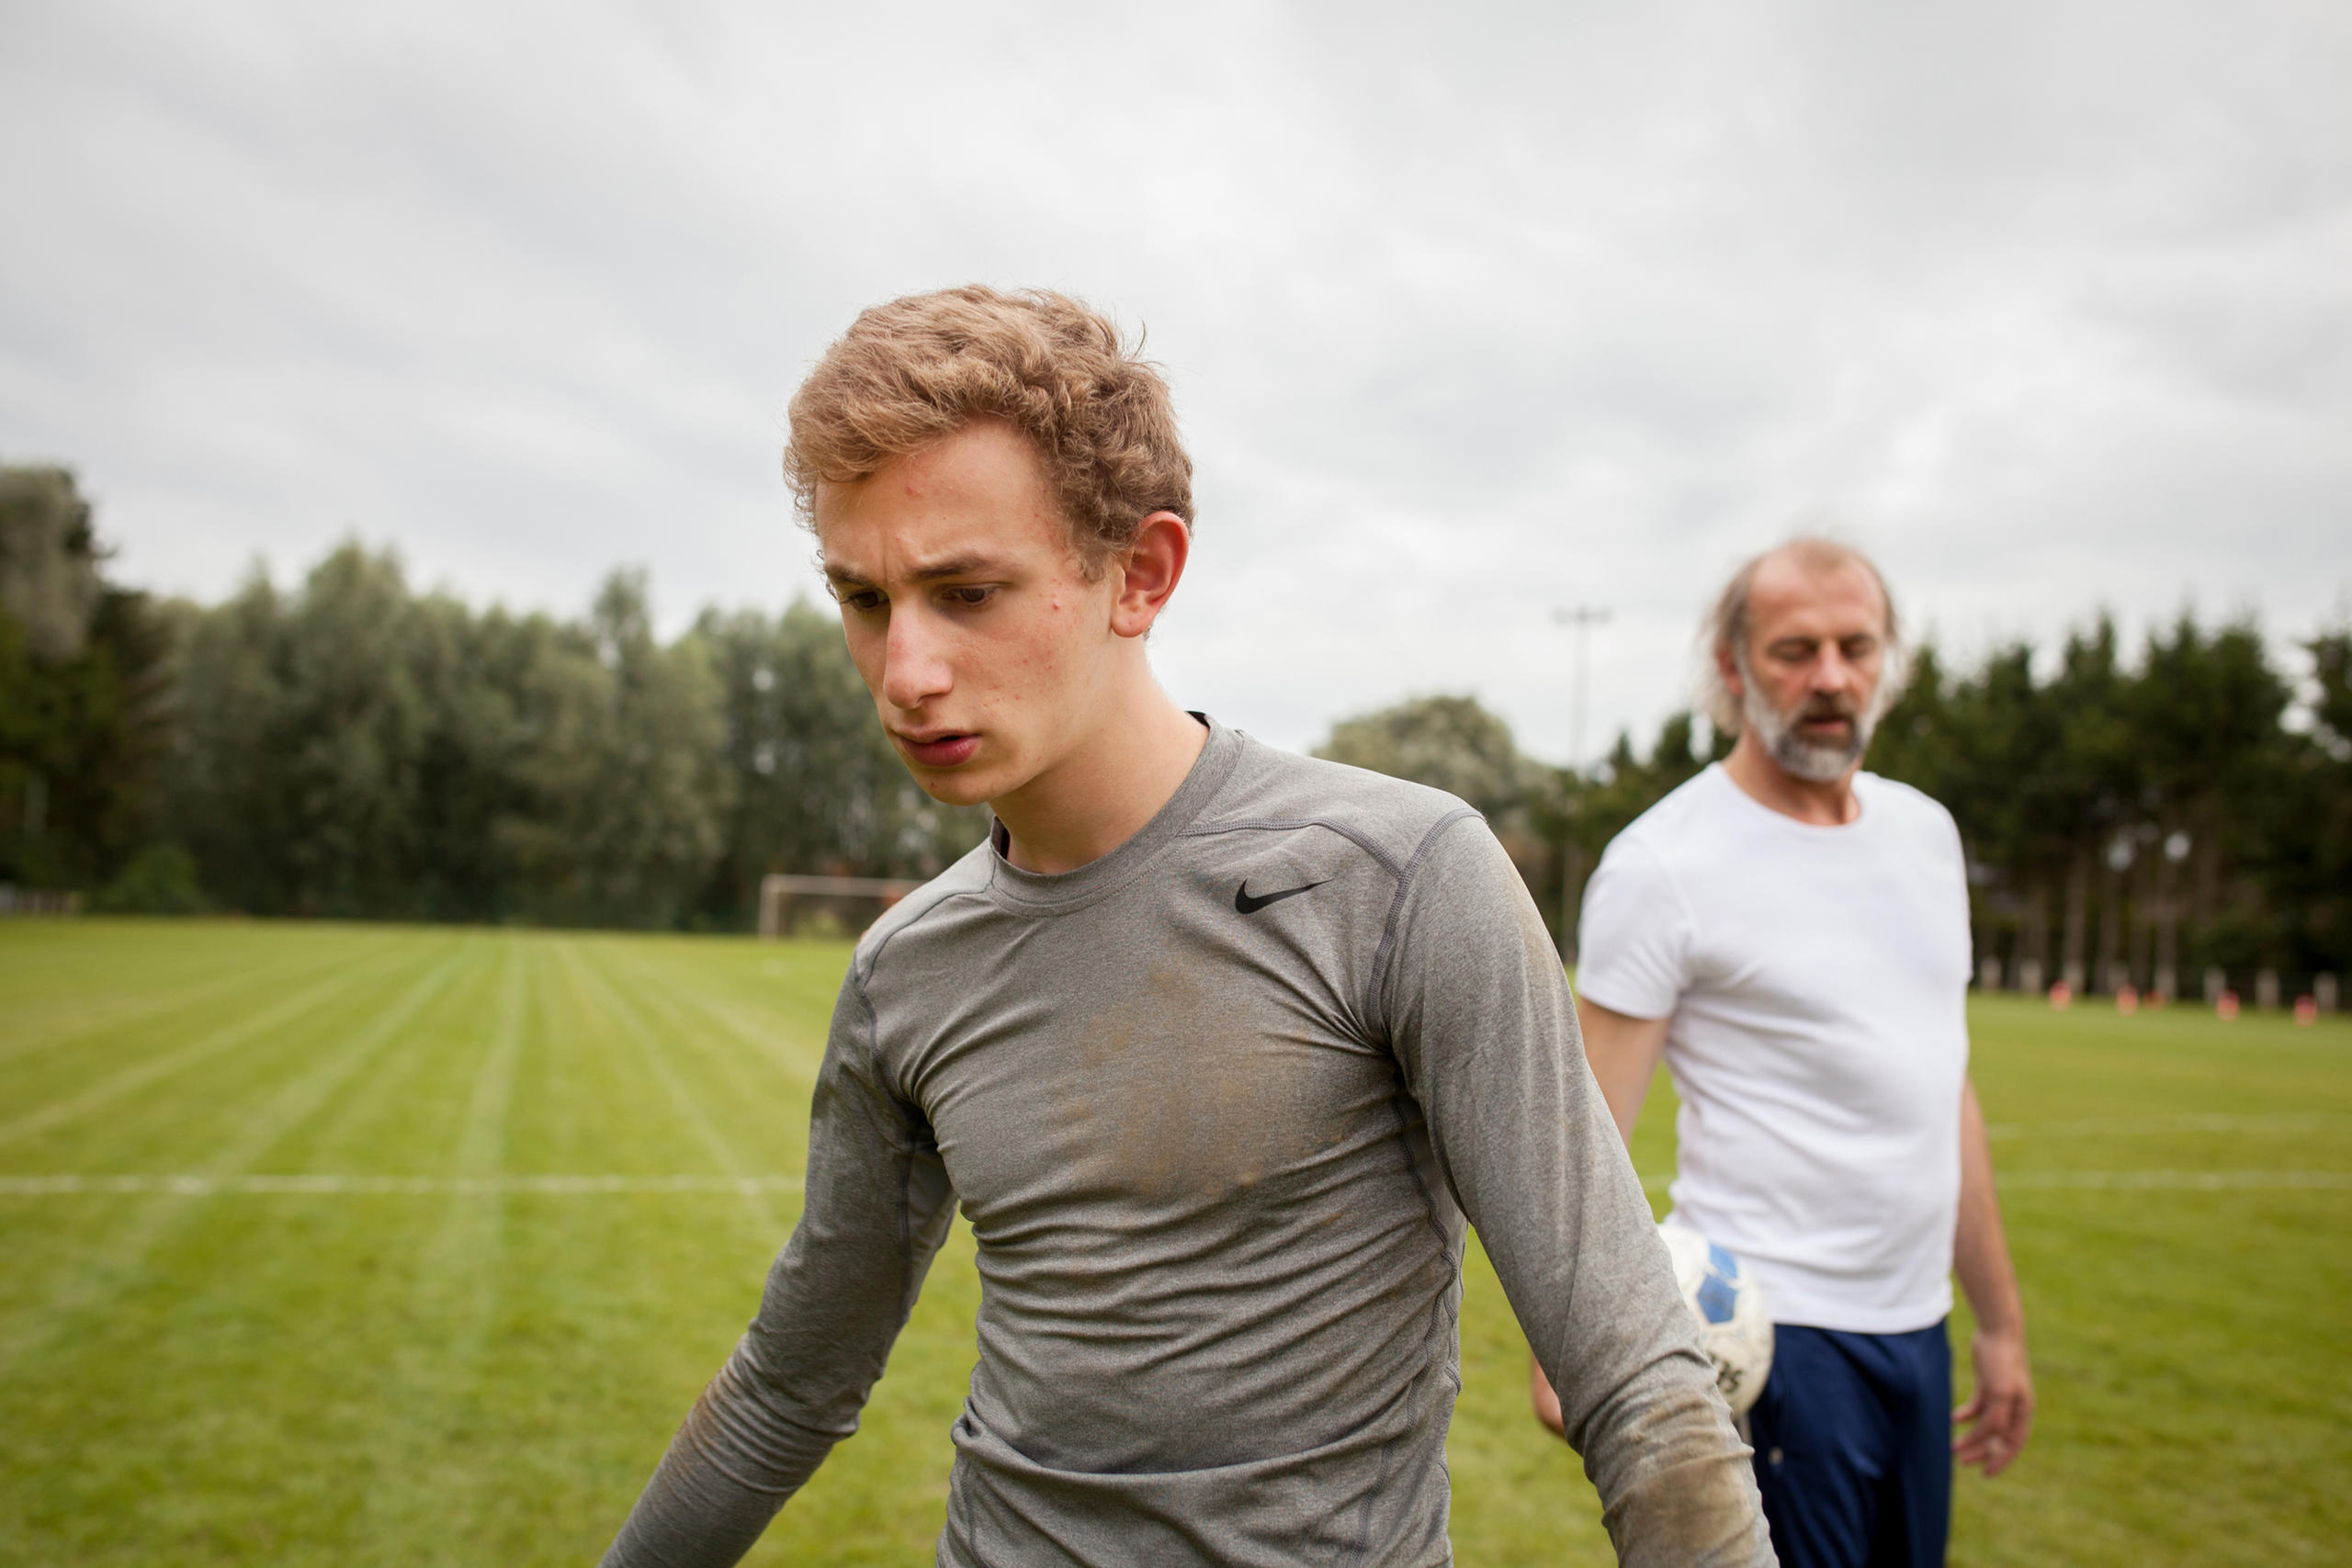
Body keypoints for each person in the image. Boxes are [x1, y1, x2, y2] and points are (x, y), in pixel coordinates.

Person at [601, 286, 1773, 1567]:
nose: (905, 671)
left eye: (969, 592)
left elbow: (1643, 1390)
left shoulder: (1400, 876)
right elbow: (788, 1383)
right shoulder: (905, 971)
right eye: (866, 599)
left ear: (1141, 573)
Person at [1529, 539, 2034, 1568]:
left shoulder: (1926, 837)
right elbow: (1587, 1138)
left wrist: (1999, 1320)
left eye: (1856, 647)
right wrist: (1567, 1348)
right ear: (1732, 669)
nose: (1830, 678)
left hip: (1916, 1335)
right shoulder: (1662, 864)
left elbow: (1947, 1092)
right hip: (1770, 1342)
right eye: (1794, 651)